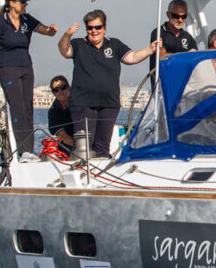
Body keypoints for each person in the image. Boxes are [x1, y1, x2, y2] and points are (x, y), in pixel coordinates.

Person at [58, 9, 158, 158]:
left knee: (102, 147)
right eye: (90, 28)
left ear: (104, 28)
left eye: (97, 27)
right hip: (83, 104)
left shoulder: (115, 44)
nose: (94, 31)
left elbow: (132, 57)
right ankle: (81, 173)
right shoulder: (79, 44)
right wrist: (67, 34)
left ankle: (100, 176)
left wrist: (150, 49)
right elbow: (64, 50)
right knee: (84, 147)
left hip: (109, 104)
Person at [0, 0, 57, 157]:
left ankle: (29, 150)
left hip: (26, 68)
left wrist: (52, 30)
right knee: (18, 109)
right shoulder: (1, 23)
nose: (26, 4)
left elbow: (47, 31)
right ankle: (23, 151)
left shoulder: (26, 20)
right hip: (8, 70)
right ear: (12, 3)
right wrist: (2, 58)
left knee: (28, 109)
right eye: (23, 1)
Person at [149, 0, 197, 84]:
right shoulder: (159, 33)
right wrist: (186, 56)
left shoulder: (188, 37)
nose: (180, 20)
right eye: (176, 16)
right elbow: (162, 57)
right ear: (168, 14)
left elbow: (195, 58)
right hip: (163, 84)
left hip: (182, 84)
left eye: (183, 17)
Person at [47, 75, 74, 154]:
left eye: (63, 87)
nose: (60, 92)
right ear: (53, 93)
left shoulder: (80, 104)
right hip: (68, 148)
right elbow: (63, 136)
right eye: (56, 90)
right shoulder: (53, 112)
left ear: (69, 87)